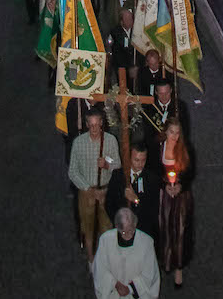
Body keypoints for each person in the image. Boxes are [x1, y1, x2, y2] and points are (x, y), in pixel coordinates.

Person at [68, 107, 120, 263]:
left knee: (107, 227)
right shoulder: (78, 143)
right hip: (87, 192)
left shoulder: (110, 140)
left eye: (97, 125)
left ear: (102, 123)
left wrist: (106, 164)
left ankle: (105, 259)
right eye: (91, 125)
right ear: (86, 124)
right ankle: (91, 259)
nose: (94, 129)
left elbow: (116, 163)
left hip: (105, 190)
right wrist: (88, 189)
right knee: (88, 227)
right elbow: (73, 171)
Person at [156, 115, 193, 288]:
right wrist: (165, 185)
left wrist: (180, 186)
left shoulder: (185, 149)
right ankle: (166, 260)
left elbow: (190, 173)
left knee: (180, 229)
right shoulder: (159, 147)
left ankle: (179, 266)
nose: (174, 136)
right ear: (166, 131)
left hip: (180, 196)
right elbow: (154, 171)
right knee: (164, 227)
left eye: (177, 133)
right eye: (171, 132)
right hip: (164, 195)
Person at [92, 207, 160, 299]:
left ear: (135, 223)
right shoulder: (105, 240)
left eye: (131, 230)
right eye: (124, 232)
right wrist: (115, 284)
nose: (129, 235)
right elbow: (100, 269)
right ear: (117, 228)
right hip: (114, 293)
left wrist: (130, 288)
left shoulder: (146, 242)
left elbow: (149, 273)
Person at [105, 144, 160, 241]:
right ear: (129, 158)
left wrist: (136, 200)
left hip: (142, 231)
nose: (140, 164)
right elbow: (109, 204)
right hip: (120, 230)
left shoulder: (152, 179)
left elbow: (153, 210)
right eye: (136, 160)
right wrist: (119, 224)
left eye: (143, 160)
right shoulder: (117, 175)